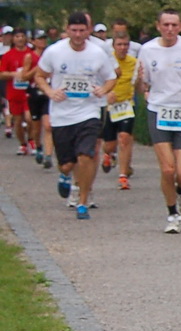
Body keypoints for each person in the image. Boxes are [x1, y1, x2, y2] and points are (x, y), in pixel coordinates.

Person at [34, 12, 118, 219]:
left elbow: (111, 77)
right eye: (74, 30)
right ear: (67, 30)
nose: (78, 35)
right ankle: (65, 175)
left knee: (86, 155)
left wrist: (104, 90)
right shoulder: (54, 51)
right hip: (62, 114)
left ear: (88, 31)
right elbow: (40, 76)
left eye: (82, 30)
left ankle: (83, 201)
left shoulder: (97, 53)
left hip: (88, 112)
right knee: (67, 164)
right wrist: (50, 92)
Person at [134, 8, 181, 233]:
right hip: (159, 110)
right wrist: (139, 82)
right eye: (166, 25)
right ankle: (172, 214)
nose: (170, 29)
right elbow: (141, 86)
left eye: (174, 25)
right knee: (168, 169)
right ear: (158, 26)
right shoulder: (148, 50)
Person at [101, 30, 139, 188]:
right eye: (119, 45)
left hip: (126, 105)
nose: (123, 48)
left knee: (124, 138)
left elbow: (138, 83)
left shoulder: (134, 62)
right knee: (109, 144)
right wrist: (106, 93)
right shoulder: (106, 61)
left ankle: (123, 176)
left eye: (125, 45)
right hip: (110, 106)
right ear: (113, 46)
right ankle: (108, 154)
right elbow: (98, 81)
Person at [2, 29, 35, 157]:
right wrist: (14, 74)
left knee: (30, 118)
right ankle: (23, 144)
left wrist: (29, 75)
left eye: (22, 36)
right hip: (14, 92)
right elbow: (2, 74)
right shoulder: (8, 55)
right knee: (18, 121)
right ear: (13, 39)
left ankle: (31, 140)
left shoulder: (31, 54)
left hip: (29, 92)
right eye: (17, 36)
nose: (20, 39)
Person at [27, 33, 53, 167]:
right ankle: (38, 146)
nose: (42, 41)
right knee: (36, 128)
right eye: (39, 39)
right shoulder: (29, 56)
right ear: (33, 41)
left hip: (48, 92)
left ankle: (48, 156)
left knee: (48, 125)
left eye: (44, 39)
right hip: (34, 93)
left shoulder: (51, 54)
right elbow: (24, 76)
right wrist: (37, 69)